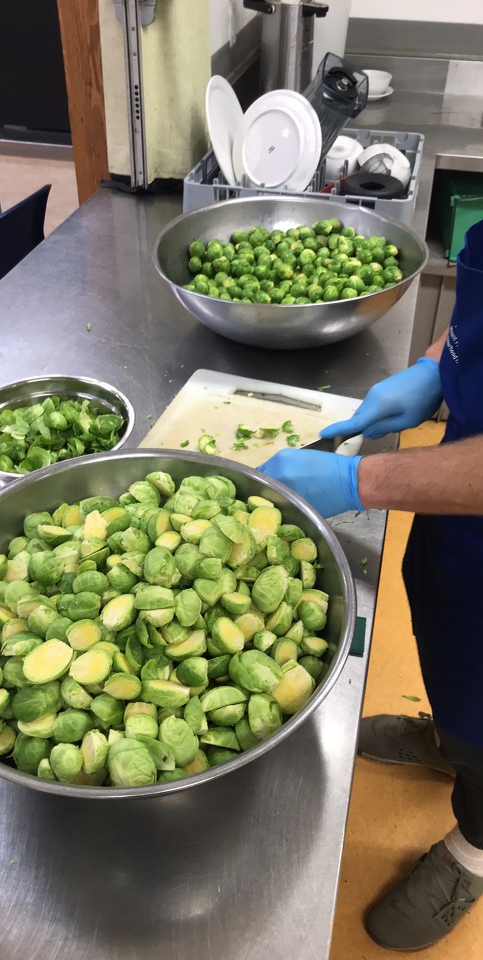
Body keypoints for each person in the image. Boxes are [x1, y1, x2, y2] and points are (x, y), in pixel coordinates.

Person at [260, 220, 483, 952]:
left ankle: (474, 851)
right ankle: (453, 737)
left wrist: (364, 478)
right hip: (466, 526)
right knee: (458, 657)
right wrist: (437, 368)